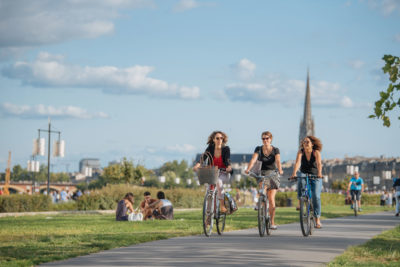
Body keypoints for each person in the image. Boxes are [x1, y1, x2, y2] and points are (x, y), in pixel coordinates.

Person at [245, 131, 283, 230]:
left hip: (273, 174)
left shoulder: (275, 150)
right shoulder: (258, 149)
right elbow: (253, 159)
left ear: (271, 139)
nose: (265, 140)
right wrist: (248, 169)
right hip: (262, 173)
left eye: (267, 138)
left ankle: (272, 222)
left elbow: (278, 160)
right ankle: (261, 203)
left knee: (271, 199)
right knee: (263, 188)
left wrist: (280, 169)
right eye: (263, 138)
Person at [193, 130, 232, 213]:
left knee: (218, 182)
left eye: (221, 138)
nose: (219, 140)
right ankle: (208, 217)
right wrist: (197, 166)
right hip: (213, 173)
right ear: (213, 140)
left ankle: (222, 206)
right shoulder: (210, 148)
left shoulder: (226, 149)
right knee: (209, 192)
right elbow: (203, 158)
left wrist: (228, 167)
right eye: (217, 138)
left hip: (223, 173)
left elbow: (228, 160)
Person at [290, 136, 323, 229]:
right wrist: (294, 173)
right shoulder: (301, 152)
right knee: (300, 180)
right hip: (304, 173)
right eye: (304, 142)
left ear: (312, 144)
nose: (306, 143)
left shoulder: (316, 152)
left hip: (315, 175)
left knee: (316, 196)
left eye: (308, 141)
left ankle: (317, 220)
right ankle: (300, 201)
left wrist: (320, 173)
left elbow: (319, 163)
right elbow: (297, 163)